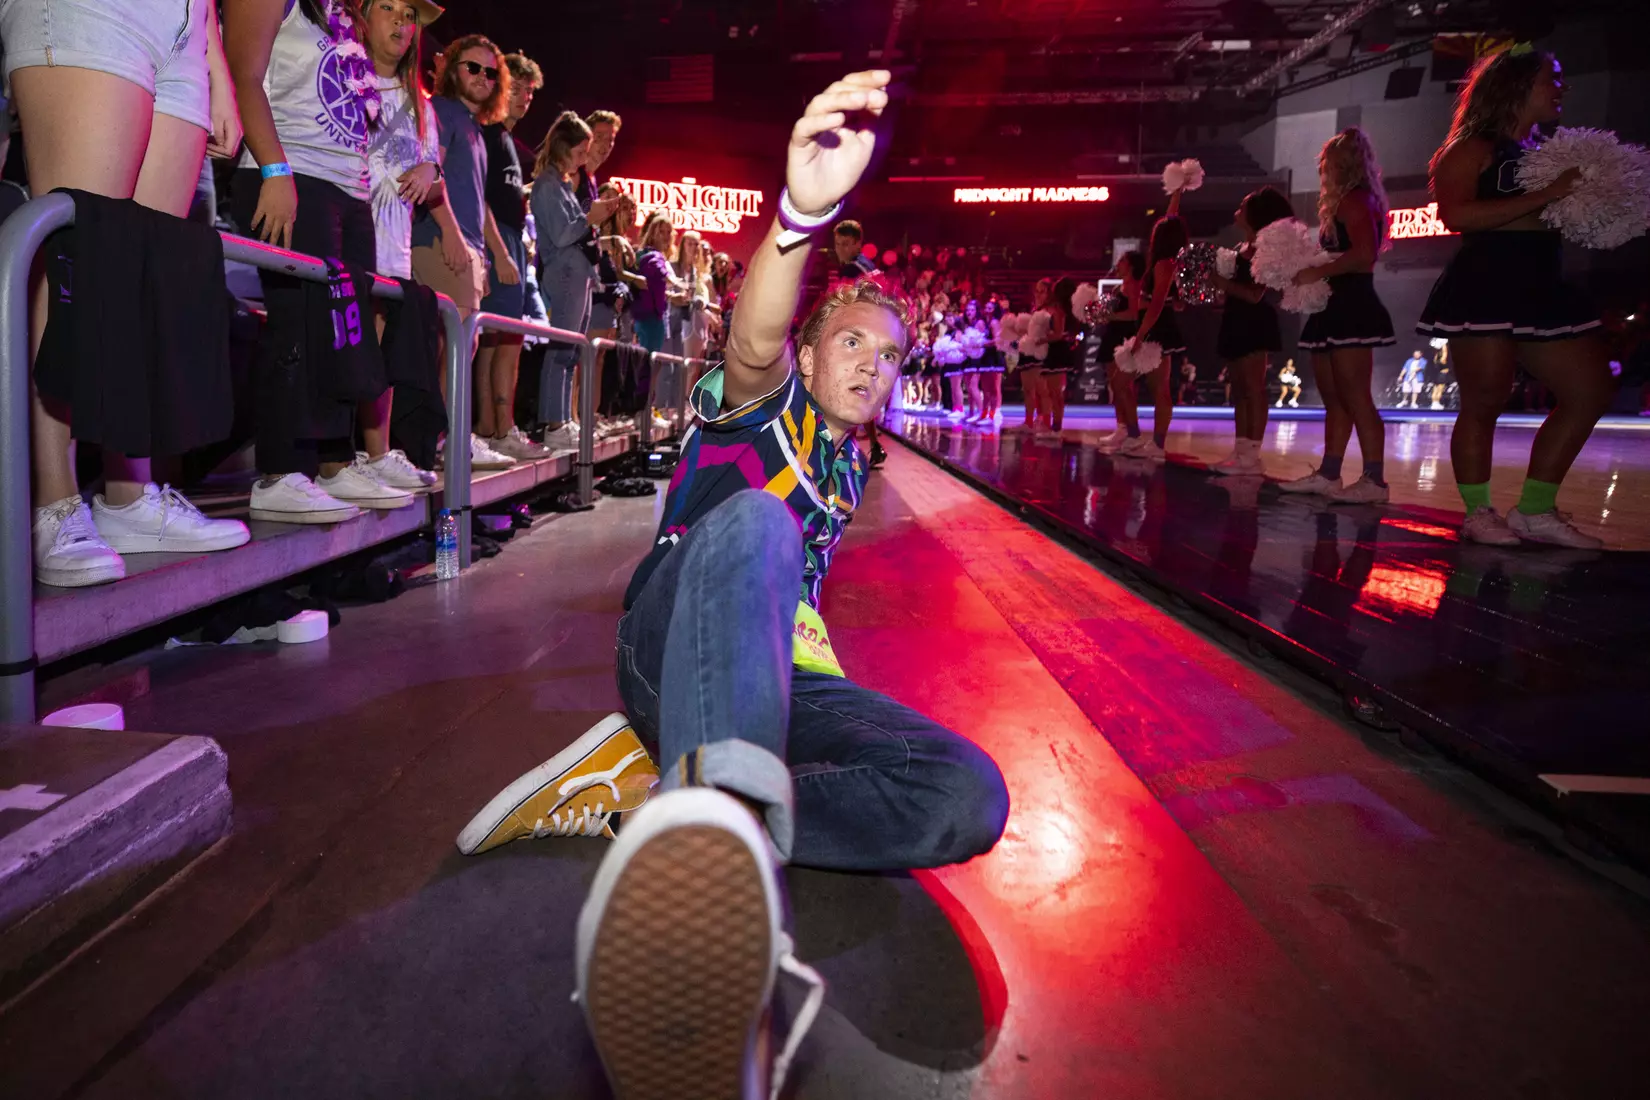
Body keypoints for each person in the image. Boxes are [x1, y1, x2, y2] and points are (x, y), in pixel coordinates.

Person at [456, 71, 1008, 1097]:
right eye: (851, 341)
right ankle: (709, 925)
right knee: (756, 523)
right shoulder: (764, 408)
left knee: (968, 791)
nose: (872, 367)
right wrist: (800, 216)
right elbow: (752, 342)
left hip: (777, 683)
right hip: (674, 632)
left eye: (889, 357)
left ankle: (671, 805)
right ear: (809, 350)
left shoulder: (851, 463)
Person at [8, 0, 249, 584]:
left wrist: (214, 58)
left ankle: (127, 496)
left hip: (185, 24)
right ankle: (55, 504)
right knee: (76, 257)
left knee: (143, 268)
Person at [1416, 45, 1611, 549]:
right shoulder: (1469, 148)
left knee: (1590, 391)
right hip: (1486, 281)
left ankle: (1535, 511)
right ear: (1518, 85)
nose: (1561, 88)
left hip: (1541, 281)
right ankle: (1478, 512)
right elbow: (1456, 217)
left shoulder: (1544, 152)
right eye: (1553, 78)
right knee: (1485, 400)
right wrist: (1550, 195)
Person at [228, 0, 415, 520]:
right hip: (289, 173)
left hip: (345, 189)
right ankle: (280, 471)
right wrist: (273, 170)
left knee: (342, 334)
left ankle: (334, 461)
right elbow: (244, 76)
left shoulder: (340, 14)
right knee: (295, 324)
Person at [410, 33, 522, 471]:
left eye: (490, 72)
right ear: (453, 69)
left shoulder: (475, 128)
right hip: (440, 241)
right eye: (472, 67)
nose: (482, 77)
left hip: (467, 249)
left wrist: (489, 254)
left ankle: (452, 437)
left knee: (462, 346)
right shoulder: (443, 112)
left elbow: (480, 200)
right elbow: (428, 171)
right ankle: (444, 440)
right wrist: (455, 238)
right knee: (448, 347)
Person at [1279, 127, 1394, 504]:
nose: (1323, 171)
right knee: (1336, 398)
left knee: (1356, 396)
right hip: (1333, 306)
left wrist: (1314, 271)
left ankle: (1374, 480)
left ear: (1341, 164)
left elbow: (1364, 255)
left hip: (1351, 306)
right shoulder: (1351, 201)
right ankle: (1330, 473)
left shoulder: (1355, 201)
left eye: (1327, 164)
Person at [360, 0, 445, 493]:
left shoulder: (419, 102)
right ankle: (354, 455)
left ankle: (378, 452)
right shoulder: (346, 75)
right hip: (348, 230)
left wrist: (428, 172)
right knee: (353, 343)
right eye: (387, 7)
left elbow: (433, 172)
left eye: (408, 14)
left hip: (394, 241)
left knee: (381, 345)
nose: (399, 21)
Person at [471, 51, 548, 461]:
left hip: (513, 242)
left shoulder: (506, 140)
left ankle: (496, 428)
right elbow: (476, 197)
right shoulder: (483, 132)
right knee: (497, 340)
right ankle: (494, 428)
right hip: (496, 242)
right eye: (516, 88)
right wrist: (499, 251)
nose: (524, 97)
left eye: (530, 91)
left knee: (504, 340)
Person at [530, 111, 621, 452]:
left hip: (579, 276)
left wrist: (590, 219)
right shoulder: (547, 185)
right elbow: (561, 233)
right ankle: (554, 422)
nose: (585, 158)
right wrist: (590, 218)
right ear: (563, 147)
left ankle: (564, 420)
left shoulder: (563, 185)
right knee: (561, 350)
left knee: (571, 351)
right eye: (581, 150)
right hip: (563, 276)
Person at [1209, 186, 1294, 475]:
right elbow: (1231, 293)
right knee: (1240, 390)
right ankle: (1241, 451)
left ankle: (1252, 456)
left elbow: (1255, 294)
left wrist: (1223, 285)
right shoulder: (1238, 249)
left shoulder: (1264, 249)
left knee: (1253, 389)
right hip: (1234, 319)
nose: (1239, 207)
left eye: (1244, 205)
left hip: (1255, 321)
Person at [1118, 188, 1190, 460]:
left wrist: (1140, 335)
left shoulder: (1164, 264)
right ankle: (1138, 436)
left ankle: (1157, 443)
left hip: (1157, 327)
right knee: (1124, 382)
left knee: (1156, 387)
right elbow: (1171, 218)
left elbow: (1157, 303)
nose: (1153, 231)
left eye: (1157, 229)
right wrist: (1177, 193)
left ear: (1160, 237)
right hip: (1154, 324)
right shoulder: (1165, 261)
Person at [1096, 255, 1144, 451]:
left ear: (1131, 265)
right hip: (1111, 336)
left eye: (1122, 261)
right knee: (1114, 387)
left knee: (1123, 385)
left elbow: (1134, 313)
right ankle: (1121, 427)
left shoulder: (1134, 286)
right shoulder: (1117, 288)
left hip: (1124, 338)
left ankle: (1132, 430)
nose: (1118, 265)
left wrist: (1112, 315)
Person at [1014, 278, 1052, 432]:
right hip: (1027, 352)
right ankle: (1029, 421)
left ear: (1049, 293)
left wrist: (1038, 340)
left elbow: (1053, 333)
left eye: (1042, 291)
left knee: (1043, 390)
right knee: (1028, 389)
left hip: (1040, 353)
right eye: (1036, 291)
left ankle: (1046, 422)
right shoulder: (1034, 310)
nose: (1038, 294)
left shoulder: (1051, 311)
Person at [575, 108, 621, 211]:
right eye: (599, 137)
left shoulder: (591, 178)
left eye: (610, 139)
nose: (604, 144)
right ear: (587, 137)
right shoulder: (574, 173)